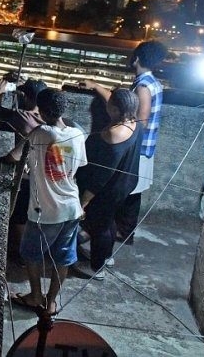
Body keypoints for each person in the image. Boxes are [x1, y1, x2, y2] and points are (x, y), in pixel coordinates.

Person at [78, 39, 167, 243]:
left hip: (138, 149)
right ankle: (121, 233)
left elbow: (138, 117)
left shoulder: (143, 86)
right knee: (131, 192)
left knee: (125, 193)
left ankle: (119, 233)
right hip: (145, 147)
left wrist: (95, 86)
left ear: (136, 59)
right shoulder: (153, 82)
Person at [8, 88, 87, 316]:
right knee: (62, 258)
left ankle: (35, 296)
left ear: (41, 111)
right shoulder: (78, 135)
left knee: (30, 253)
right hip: (72, 207)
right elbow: (77, 166)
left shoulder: (40, 133)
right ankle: (51, 302)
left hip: (45, 211)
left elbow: (13, 157)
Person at [73, 88, 143, 280]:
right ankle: (106, 257)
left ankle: (96, 267)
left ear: (115, 110)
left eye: (110, 103)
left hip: (108, 189)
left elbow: (102, 175)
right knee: (109, 219)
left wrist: (84, 201)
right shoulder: (135, 124)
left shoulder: (113, 134)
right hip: (126, 183)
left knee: (100, 225)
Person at [7, 78, 48, 266]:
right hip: (45, 177)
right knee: (34, 217)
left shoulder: (23, 117)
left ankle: (22, 256)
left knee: (20, 217)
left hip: (26, 175)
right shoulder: (49, 120)